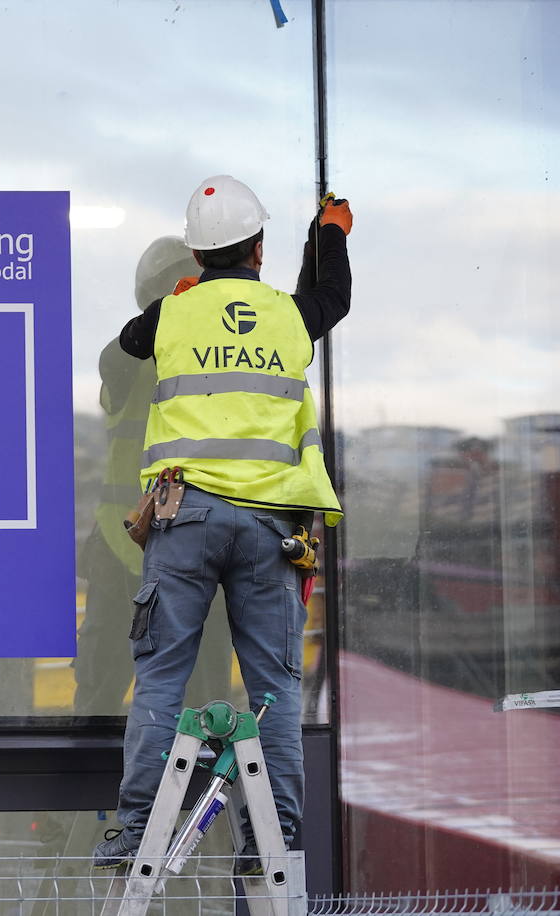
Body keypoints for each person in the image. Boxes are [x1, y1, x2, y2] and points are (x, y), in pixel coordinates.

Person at [92, 175, 353, 873]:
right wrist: (328, 234)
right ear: (258, 249)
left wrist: (174, 304)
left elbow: (127, 340)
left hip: (187, 516)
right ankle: (276, 838)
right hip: (270, 527)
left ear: (197, 255)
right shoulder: (285, 316)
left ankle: (137, 825)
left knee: (162, 678)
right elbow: (332, 300)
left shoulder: (172, 316)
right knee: (273, 688)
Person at [74, 237, 233, 718]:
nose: (186, 290)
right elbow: (113, 359)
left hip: (200, 551)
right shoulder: (131, 361)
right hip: (124, 548)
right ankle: (90, 790)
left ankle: (199, 792)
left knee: (204, 697)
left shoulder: (225, 359)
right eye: (173, 284)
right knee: (100, 687)